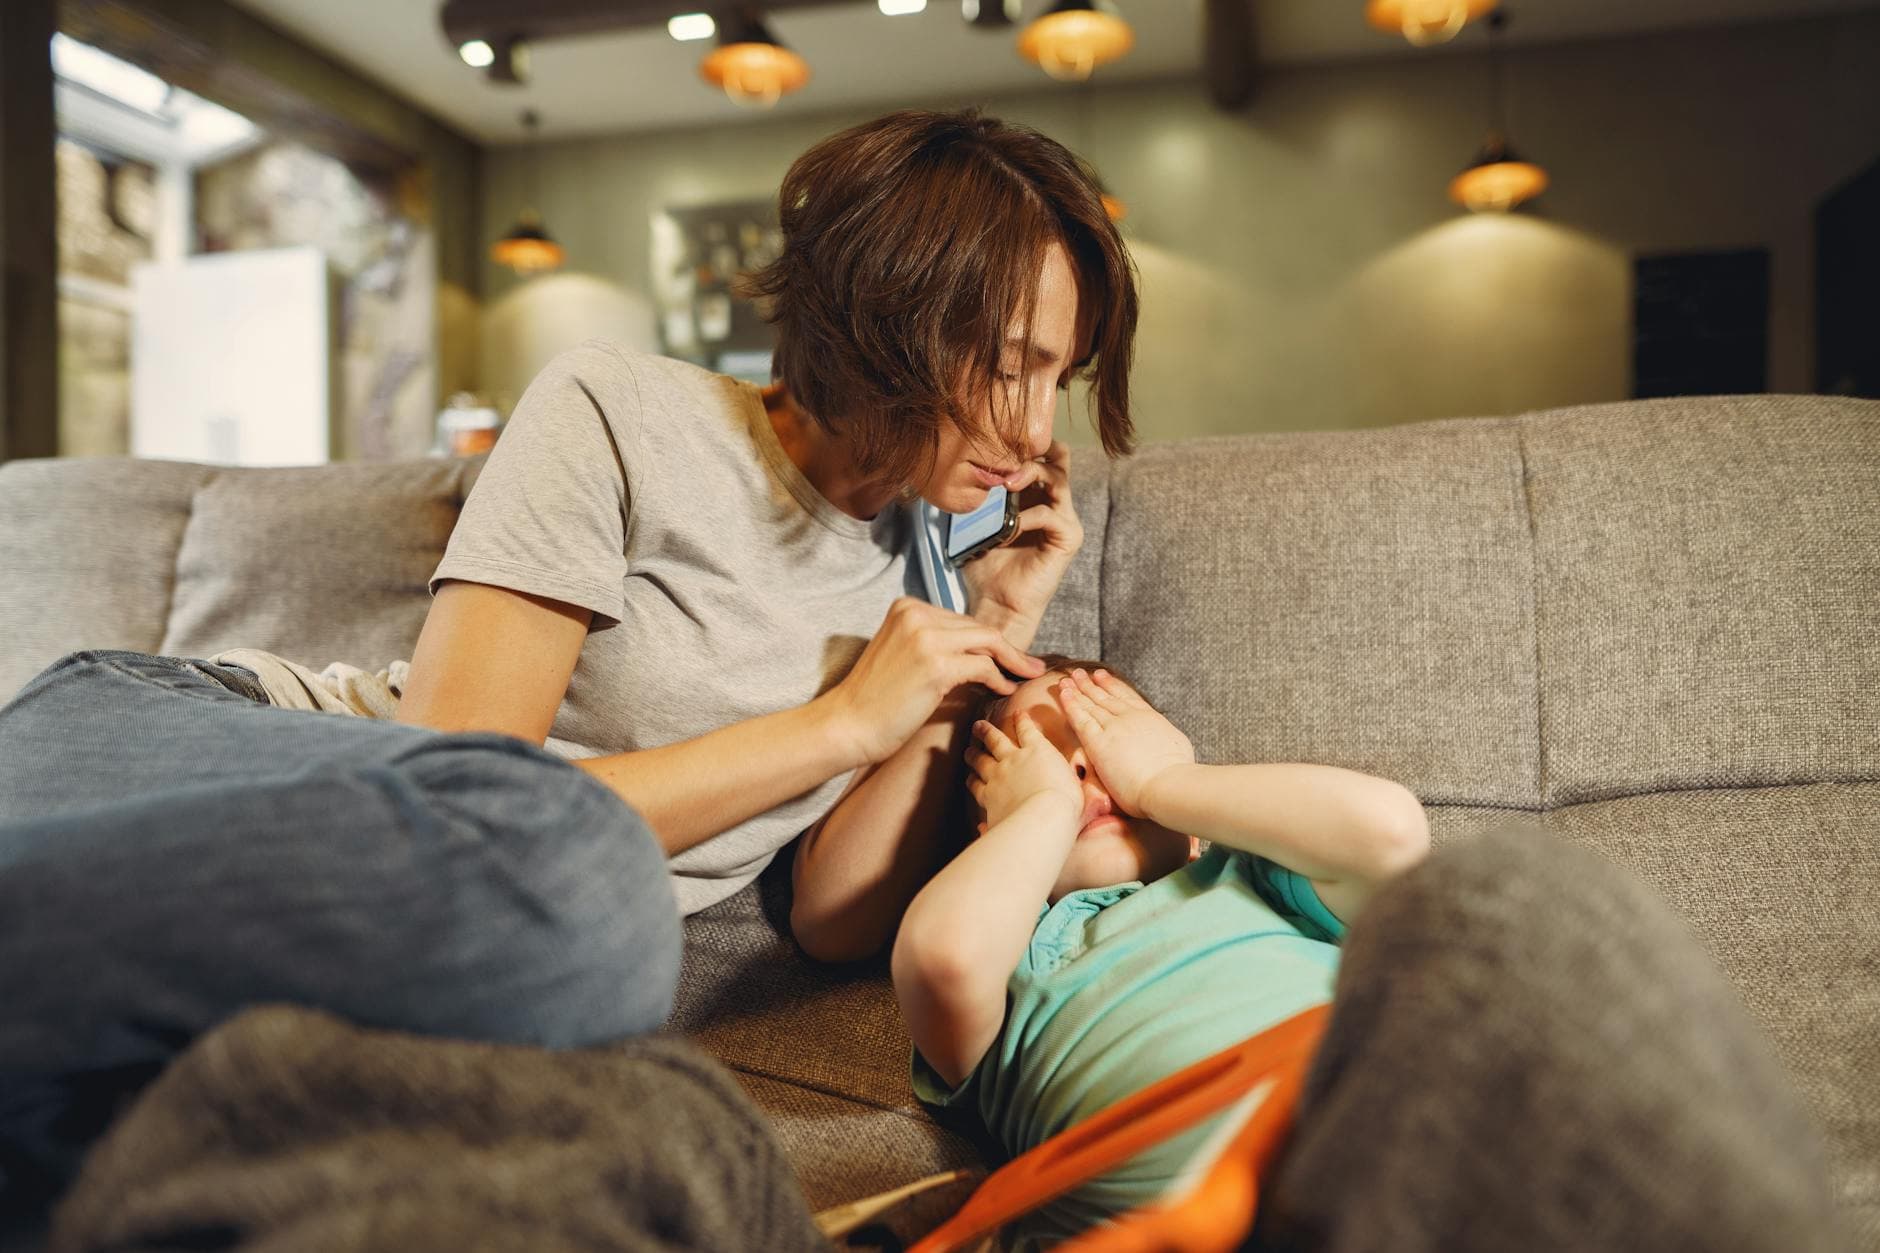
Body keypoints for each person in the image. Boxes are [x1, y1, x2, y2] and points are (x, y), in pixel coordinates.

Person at [0, 108, 1138, 1199]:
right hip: (190, 741)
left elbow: (832, 914)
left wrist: (993, 624)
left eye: (1060, 377)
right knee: (596, 917)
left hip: (450, 926)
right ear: (889, 310)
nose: (1038, 429)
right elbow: (459, 791)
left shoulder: (921, 568)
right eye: (1009, 364)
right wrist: (836, 724)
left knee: (587, 950)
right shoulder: (625, 410)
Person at [893, 661, 1844, 1251]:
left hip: (1405, 1135)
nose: (1081, 774)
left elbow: (1390, 834)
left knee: (1507, 891)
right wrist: (1040, 812)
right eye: (1039, 760)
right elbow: (941, 959)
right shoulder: (1015, 955)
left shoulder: (1249, 877)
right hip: (1212, 1218)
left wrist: (1169, 780)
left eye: (1101, 741)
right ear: (990, 836)